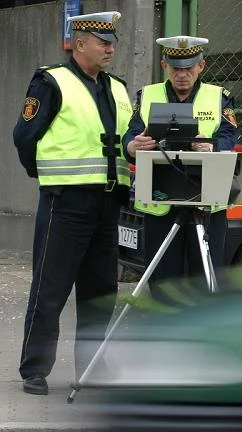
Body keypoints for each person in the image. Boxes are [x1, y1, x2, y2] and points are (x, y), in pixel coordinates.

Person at [13, 11, 133, 395]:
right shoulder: (51, 81)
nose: (111, 48)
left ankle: (93, 366)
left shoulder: (117, 86)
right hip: (66, 202)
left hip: (108, 202)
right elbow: (24, 136)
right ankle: (35, 369)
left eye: (113, 42)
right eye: (103, 42)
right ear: (79, 44)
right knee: (51, 288)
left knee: (100, 292)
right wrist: (47, 178)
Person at [123, 35, 237, 304]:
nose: (182, 74)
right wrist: (132, 146)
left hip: (206, 199)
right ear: (165, 66)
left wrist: (212, 147)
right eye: (176, 67)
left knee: (206, 278)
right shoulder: (148, 95)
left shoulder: (219, 97)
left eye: (188, 67)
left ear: (201, 66)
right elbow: (129, 136)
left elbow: (230, 136)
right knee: (163, 280)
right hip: (160, 199)